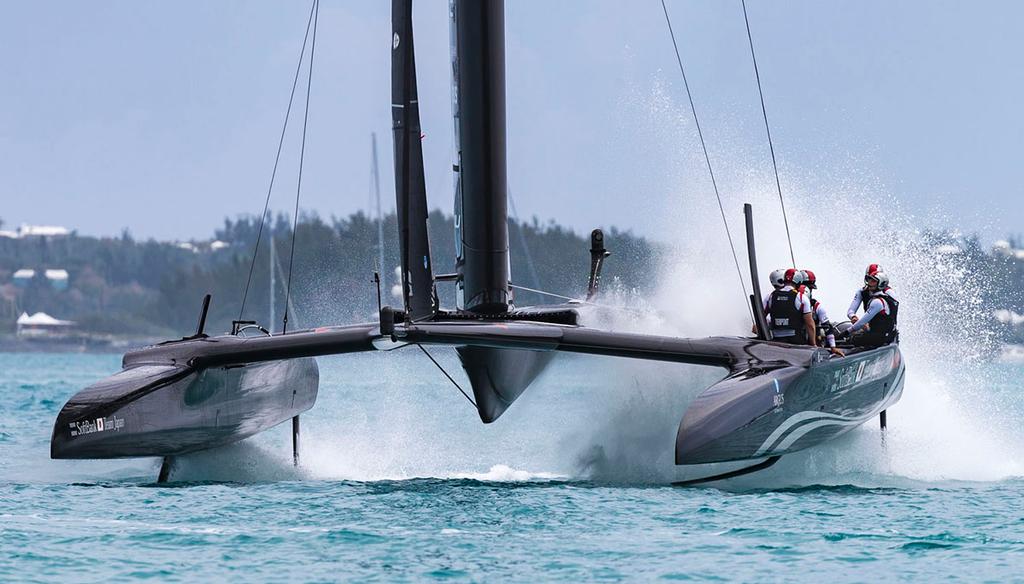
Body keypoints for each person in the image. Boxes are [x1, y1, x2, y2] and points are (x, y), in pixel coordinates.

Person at [839, 270, 899, 347]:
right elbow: (854, 315)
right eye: (869, 279)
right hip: (880, 333)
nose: (869, 283)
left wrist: (845, 333)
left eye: (873, 281)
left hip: (882, 336)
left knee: (850, 339)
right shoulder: (868, 294)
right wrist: (854, 318)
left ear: (881, 283)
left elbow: (861, 323)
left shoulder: (879, 300)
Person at [763, 268, 816, 346]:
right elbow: (810, 324)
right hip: (796, 341)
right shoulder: (801, 298)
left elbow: (761, 316)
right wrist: (813, 344)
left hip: (775, 341)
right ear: (798, 282)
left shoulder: (770, 296)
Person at [801, 269, 844, 356]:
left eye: (809, 288)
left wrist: (833, 347)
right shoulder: (789, 302)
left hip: (813, 348)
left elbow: (828, 327)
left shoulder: (816, 306)